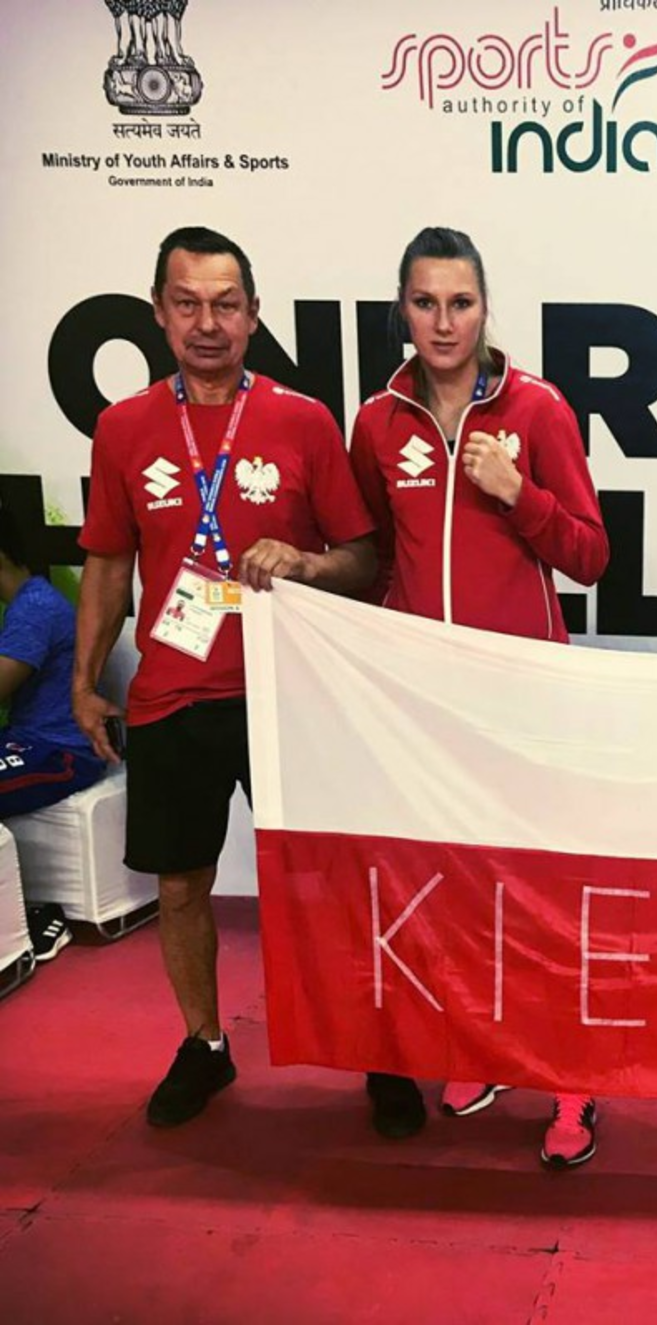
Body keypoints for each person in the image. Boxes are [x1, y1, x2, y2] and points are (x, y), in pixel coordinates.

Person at [74, 226, 376, 1128]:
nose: (208, 323)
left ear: (253, 314)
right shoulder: (123, 428)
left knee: (330, 883)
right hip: (172, 693)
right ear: (160, 313)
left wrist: (305, 561)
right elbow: (106, 563)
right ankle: (205, 1044)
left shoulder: (303, 420)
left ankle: (377, 1051)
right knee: (179, 885)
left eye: (226, 304)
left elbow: (365, 558)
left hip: (290, 692)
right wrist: (84, 680)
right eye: (188, 303)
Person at [349, 226, 610, 1168]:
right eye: (425, 302)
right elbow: (380, 559)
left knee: (542, 893)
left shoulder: (538, 408)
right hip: (428, 704)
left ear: (486, 307)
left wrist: (517, 493)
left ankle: (572, 1080)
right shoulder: (377, 422)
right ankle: (482, 1049)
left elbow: (590, 554)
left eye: (461, 302)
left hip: (526, 696)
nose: (444, 322)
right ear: (402, 308)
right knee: (456, 889)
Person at [0, 508, 108, 960]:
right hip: (25, 741)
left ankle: (34, 915)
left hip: (62, 752)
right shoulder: (24, 606)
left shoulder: (35, 609)